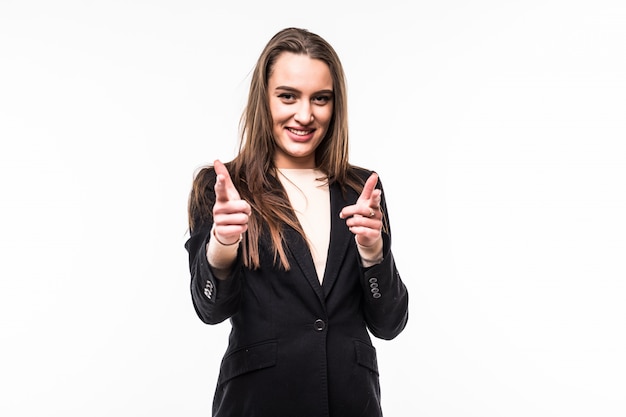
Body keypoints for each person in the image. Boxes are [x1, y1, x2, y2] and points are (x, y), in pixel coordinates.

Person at [185, 27, 409, 417]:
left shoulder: (362, 189)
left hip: (350, 402)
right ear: (263, 99)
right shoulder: (224, 187)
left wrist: (374, 254)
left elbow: (389, 323)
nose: (304, 115)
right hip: (258, 402)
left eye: (320, 99)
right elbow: (211, 310)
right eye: (288, 96)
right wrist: (222, 244)